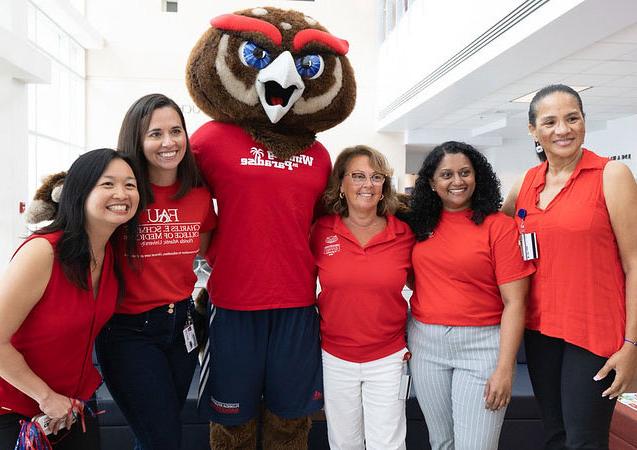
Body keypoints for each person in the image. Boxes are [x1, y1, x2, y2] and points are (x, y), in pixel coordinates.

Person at [502, 84, 637, 450]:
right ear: (533, 130)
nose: (562, 129)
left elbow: (635, 263)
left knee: (584, 441)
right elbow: (491, 232)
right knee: (556, 436)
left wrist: (632, 343)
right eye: (550, 121)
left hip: (595, 334)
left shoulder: (612, 175)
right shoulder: (526, 183)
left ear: (584, 122)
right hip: (540, 331)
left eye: (572, 118)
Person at [95, 94, 216, 450]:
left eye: (176, 131)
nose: (168, 142)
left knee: (155, 436)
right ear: (137, 139)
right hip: (129, 331)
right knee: (161, 439)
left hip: (181, 326)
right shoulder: (123, 194)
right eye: (155, 134)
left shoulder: (197, 193)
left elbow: (208, 248)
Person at [0, 148, 141, 449]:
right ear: (79, 191)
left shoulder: (112, 253)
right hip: (17, 412)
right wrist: (46, 397)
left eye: (130, 184)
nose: (122, 193)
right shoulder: (42, 253)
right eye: (108, 184)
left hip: (72, 408)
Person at [407, 141, 534, 450]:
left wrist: (505, 369)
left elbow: (516, 302)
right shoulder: (417, 226)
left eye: (465, 172)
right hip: (426, 343)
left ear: (478, 177)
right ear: (432, 183)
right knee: (442, 443)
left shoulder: (498, 228)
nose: (457, 181)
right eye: (446, 174)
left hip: (482, 347)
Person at [309, 145, 414, 450]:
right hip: (335, 357)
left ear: (384, 187)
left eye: (376, 177)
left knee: (389, 445)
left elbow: (428, 284)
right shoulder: (321, 231)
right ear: (341, 184)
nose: (368, 185)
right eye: (357, 176)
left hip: (388, 358)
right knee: (344, 444)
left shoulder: (404, 234)